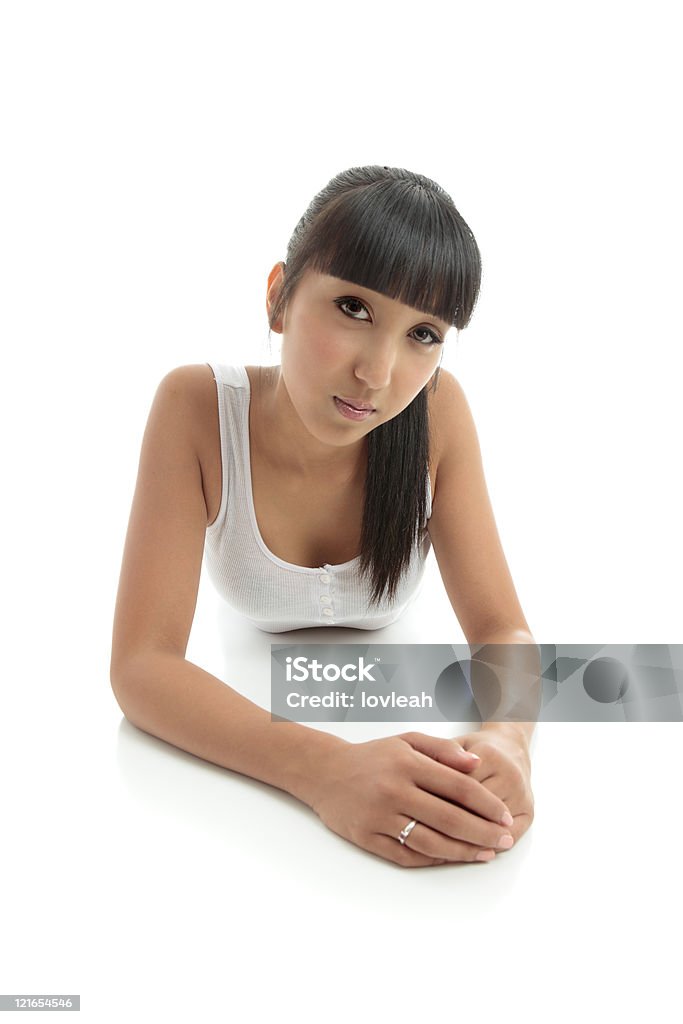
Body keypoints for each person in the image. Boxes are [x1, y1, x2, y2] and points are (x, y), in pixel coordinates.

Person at [110, 165, 536, 868]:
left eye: (423, 333)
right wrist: (323, 768)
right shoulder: (195, 407)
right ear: (279, 297)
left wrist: (506, 739)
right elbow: (141, 665)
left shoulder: (436, 413)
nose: (378, 372)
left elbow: (501, 628)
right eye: (353, 309)